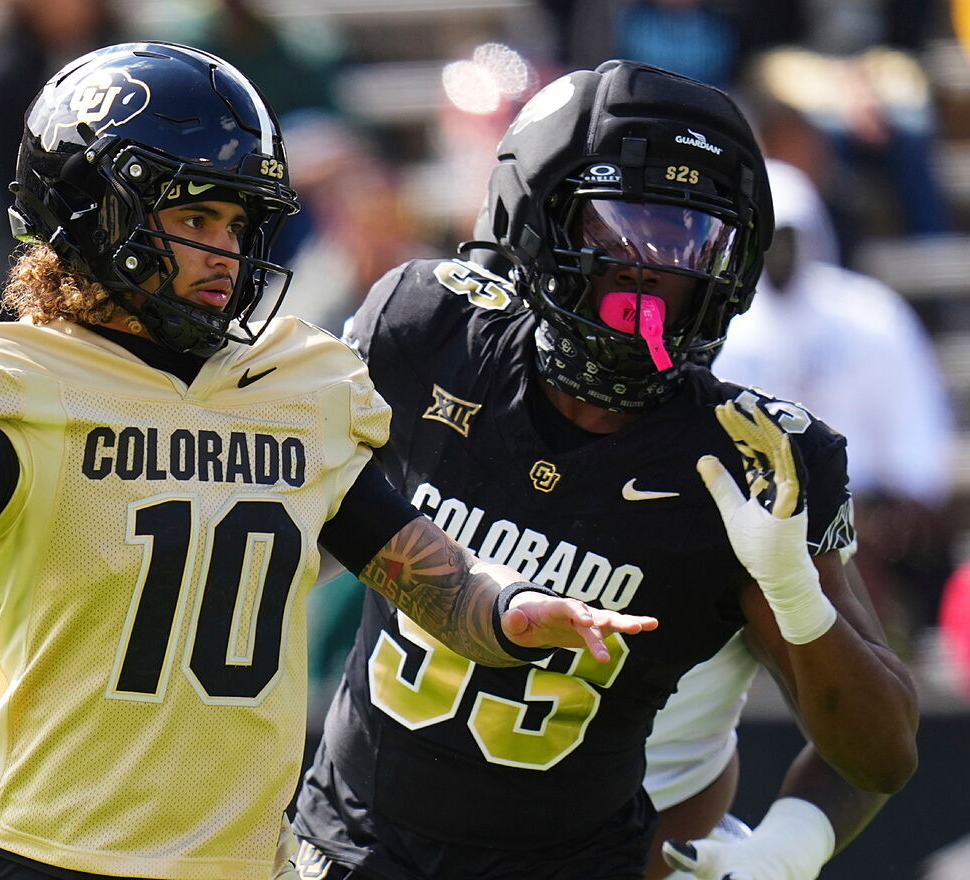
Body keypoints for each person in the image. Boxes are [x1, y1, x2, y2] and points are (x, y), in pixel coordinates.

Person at [0, 43, 658, 880]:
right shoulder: (19, 375)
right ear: (97, 211)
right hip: (58, 854)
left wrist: (501, 607)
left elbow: (402, 552)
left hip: (243, 861)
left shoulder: (301, 381)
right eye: (198, 218)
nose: (228, 251)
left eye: (239, 224)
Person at [291, 60, 918, 880]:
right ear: (538, 221)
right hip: (354, 842)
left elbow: (880, 755)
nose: (655, 268)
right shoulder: (431, 333)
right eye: (622, 232)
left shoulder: (743, 459)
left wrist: (797, 597)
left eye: (692, 241)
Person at [715, 158, 954, 649]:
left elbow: (913, 422)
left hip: (869, 510)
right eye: (769, 238)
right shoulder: (728, 325)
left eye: (790, 236)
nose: (780, 252)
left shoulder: (868, 313)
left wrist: (907, 491)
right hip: (756, 510)